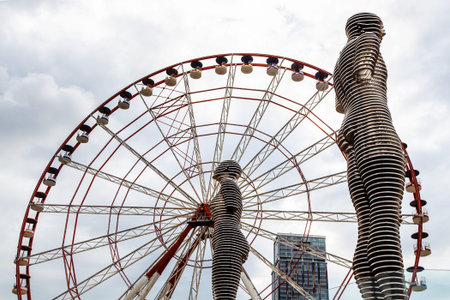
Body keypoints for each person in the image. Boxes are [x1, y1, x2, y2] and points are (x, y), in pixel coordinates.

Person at [333, 13, 407, 299]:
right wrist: (367, 73)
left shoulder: (339, 60)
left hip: (352, 132)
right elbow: (364, 70)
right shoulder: (367, 39)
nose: (383, 34)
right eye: (380, 29)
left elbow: (339, 105)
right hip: (376, 128)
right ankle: (394, 296)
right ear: (366, 28)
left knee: (367, 226)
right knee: (387, 221)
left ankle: (372, 295)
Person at [210, 160, 249, 300]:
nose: (215, 170)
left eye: (219, 167)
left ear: (226, 168)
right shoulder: (229, 185)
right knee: (223, 291)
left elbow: (232, 206)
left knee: (223, 294)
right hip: (227, 237)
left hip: (229, 238)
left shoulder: (228, 183)